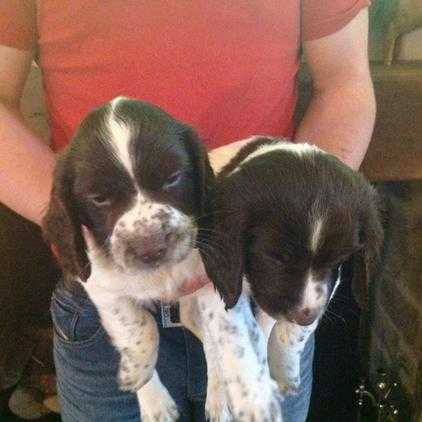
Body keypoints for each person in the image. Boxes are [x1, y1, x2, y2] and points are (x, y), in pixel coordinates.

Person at [0, 1, 375, 421]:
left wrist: (307, 216)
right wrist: (70, 226)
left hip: (262, 284)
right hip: (109, 296)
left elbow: (344, 83)